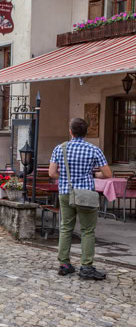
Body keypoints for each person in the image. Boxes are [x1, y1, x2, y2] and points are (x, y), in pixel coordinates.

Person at [48, 117, 111, 280]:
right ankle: (86, 267)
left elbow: (52, 173)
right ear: (86, 132)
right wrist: (92, 173)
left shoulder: (59, 148)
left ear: (70, 131)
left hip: (65, 192)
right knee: (87, 230)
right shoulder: (93, 149)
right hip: (86, 194)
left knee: (66, 227)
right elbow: (107, 174)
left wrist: (67, 175)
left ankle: (64, 264)